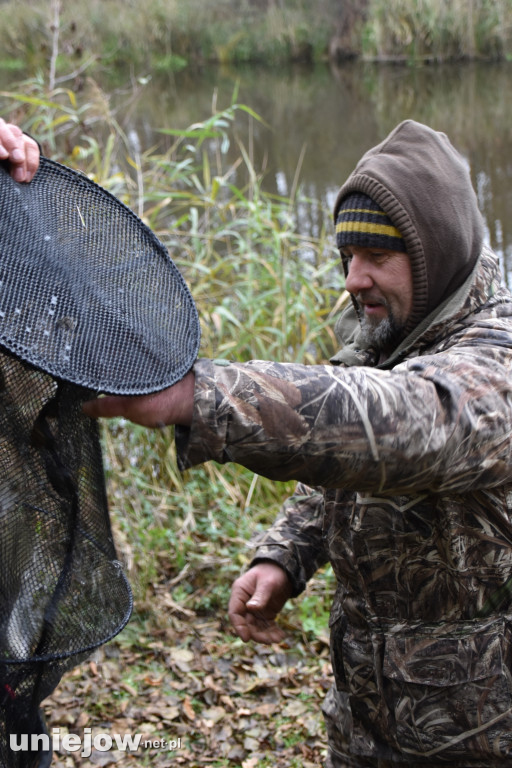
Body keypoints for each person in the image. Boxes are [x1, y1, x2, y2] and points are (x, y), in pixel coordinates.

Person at [34, 119, 512, 765]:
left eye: (377, 257)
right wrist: (285, 556)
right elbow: (347, 456)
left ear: (436, 253)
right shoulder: (391, 332)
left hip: (480, 732)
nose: (353, 279)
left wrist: (198, 396)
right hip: (369, 713)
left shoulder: (496, 356)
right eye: (347, 257)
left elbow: (411, 425)